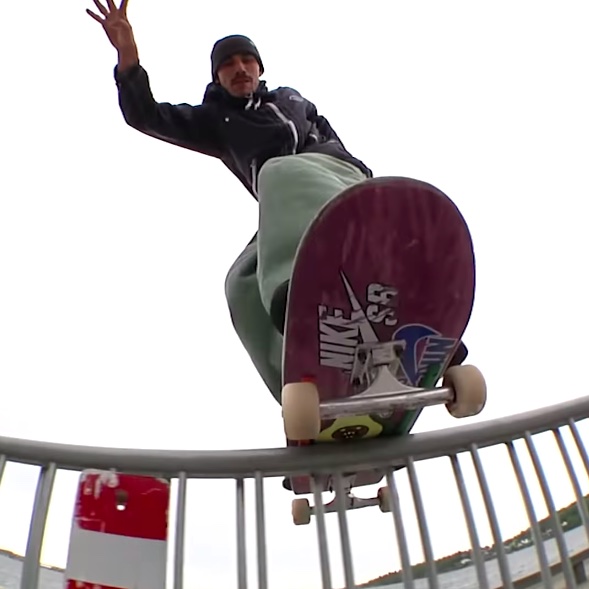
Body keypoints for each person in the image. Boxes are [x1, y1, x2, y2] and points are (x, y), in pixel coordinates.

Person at [87, 0, 468, 405]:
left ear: (259, 68)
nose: (239, 69)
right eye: (228, 65)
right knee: (242, 283)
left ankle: (310, 292)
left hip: (335, 180)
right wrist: (128, 59)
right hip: (288, 206)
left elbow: (334, 146)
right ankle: (303, 387)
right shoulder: (215, 120)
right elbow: (146, 116)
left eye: (246, 61)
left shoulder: (291, 99)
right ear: (217, 77)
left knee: (278, 172)